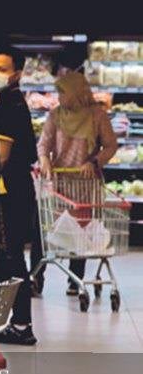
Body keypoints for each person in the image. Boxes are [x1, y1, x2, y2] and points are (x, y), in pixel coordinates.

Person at [37, 71, 118, 294]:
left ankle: (76, 279)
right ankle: (50, 277)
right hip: (62, 183)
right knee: (62, 228)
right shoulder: (55, 116)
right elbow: (44, 144)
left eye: (63, 93)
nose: (60, 98)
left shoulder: (97, 116)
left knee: (81, 231)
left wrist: (94, 162)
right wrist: (44, 159)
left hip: (87, 183)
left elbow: (111, 145)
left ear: (75, 93)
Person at [0, 46, 39, 346]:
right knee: (13, 256)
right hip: (18, 189)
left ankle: (20, 325)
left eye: (3, 69)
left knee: (12, 257)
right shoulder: (7, 101)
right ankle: (15, 322)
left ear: (17, 74)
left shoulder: (9, 106)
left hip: (12, 192)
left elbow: (1, 157)